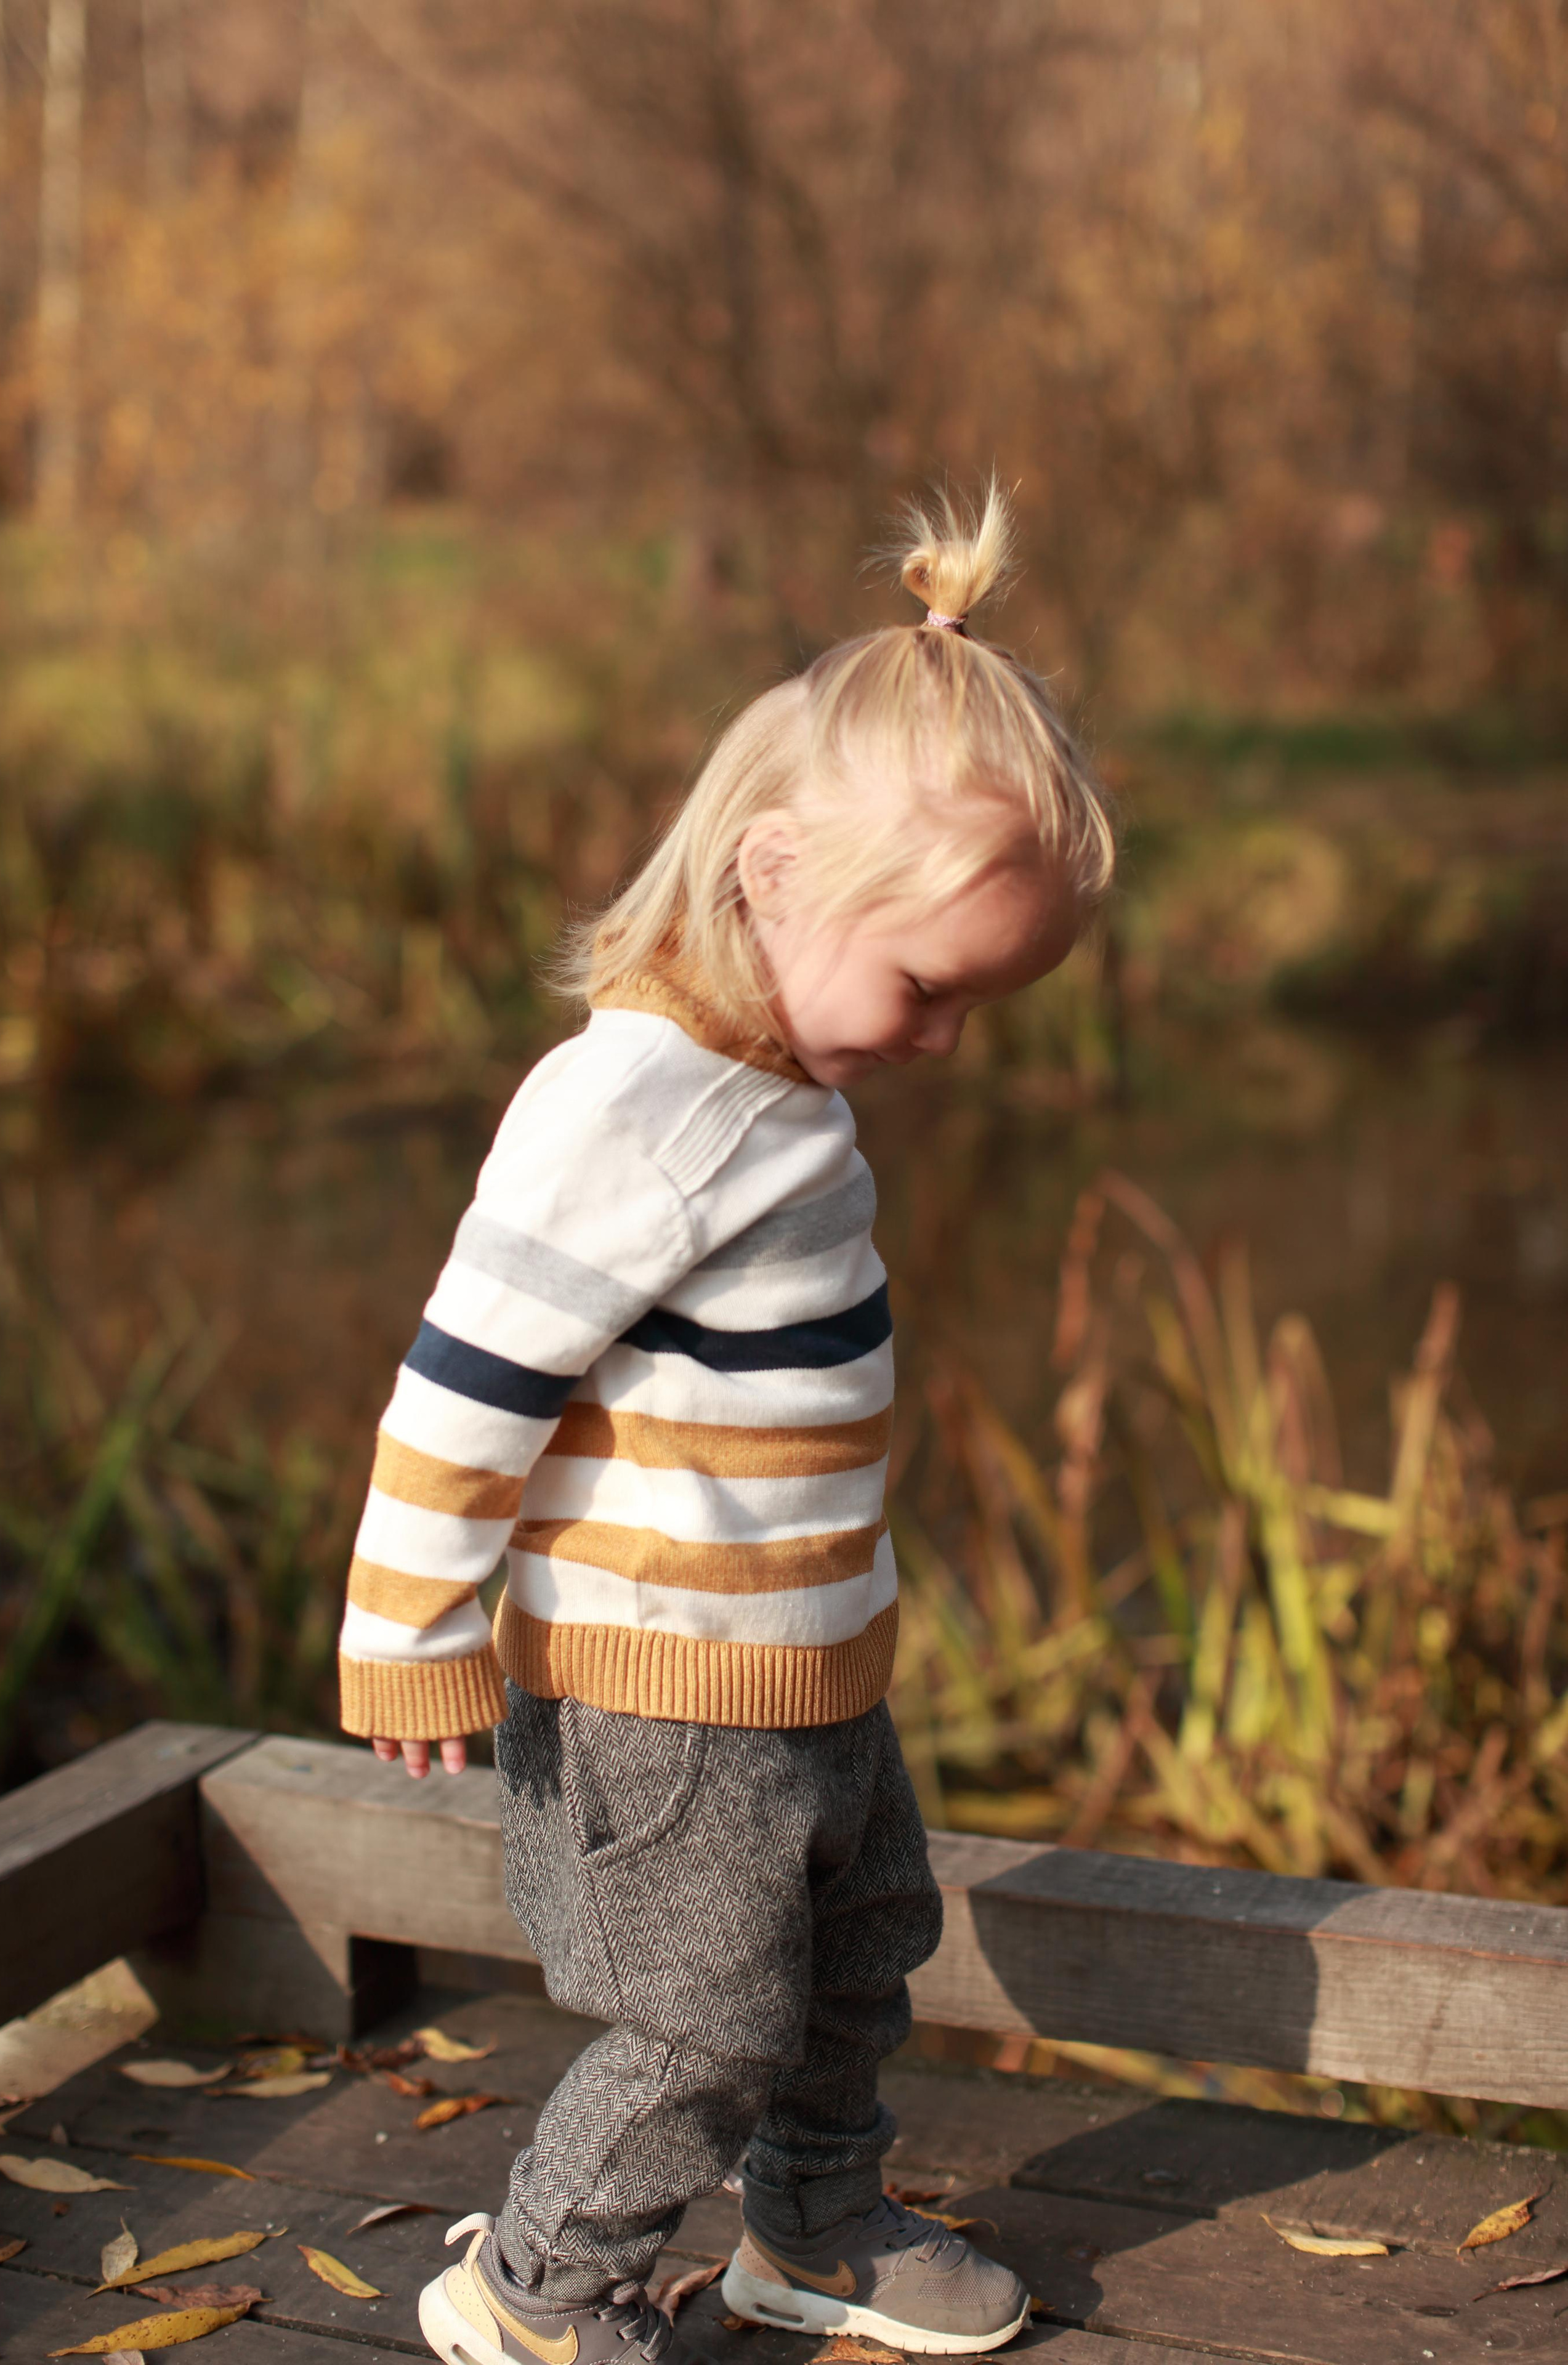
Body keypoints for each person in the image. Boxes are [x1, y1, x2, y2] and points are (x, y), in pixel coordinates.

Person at [337, 482, 1116, 2365]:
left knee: (862, 1955)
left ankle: (818, 2231)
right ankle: (538, 2290)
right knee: (701, 2019)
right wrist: (409, 1635)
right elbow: (464, 1385)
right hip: (659, 1691)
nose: (941, 1043)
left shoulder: (777, 1093)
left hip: (806, 1671)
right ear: (773, 872)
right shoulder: (639, 1108)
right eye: (930, 989)